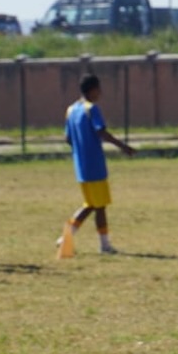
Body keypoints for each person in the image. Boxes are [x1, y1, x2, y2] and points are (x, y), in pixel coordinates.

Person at [58, 75, 135, 255]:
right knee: (99, 206)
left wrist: (81, 148)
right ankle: (104, 246)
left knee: (91, 204)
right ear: (92, 89)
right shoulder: (91, 109)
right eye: (99, 89)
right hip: (95, 166)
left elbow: (67, 138)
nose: (100, 93)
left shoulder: (71, 110)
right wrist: (123, 147)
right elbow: (101, 131)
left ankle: (66, 237)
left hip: (81, 166)